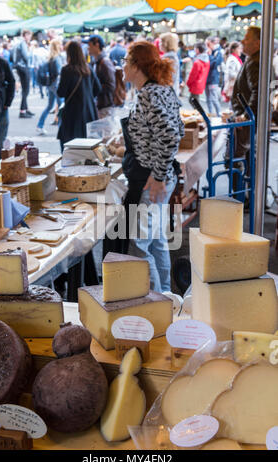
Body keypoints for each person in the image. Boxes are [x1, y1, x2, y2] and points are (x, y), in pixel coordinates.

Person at [120, 41, 184, 293]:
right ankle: (166, 295)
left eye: (125, 61)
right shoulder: (162, 89)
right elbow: (177, 129)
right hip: (161, 178)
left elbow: (170, 135)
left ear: (136, 66)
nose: (122, 66)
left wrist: (157, 176)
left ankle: (155, 304)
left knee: (139, 247)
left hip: (152, 182)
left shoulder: (148, 94)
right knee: (157, 241)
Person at [228, 26, 260, 195]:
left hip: (245, 120)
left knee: (233, 159)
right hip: (246, 117)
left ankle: (240, 197)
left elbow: (258, 91)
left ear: (258, 42)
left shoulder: (255, 62)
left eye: (246, 38)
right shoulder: (253, 60)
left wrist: (246, 115)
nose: (242, 41)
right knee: (246, 158)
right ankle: (246, 194)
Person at [57, 40, 101, 152]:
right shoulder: (88, 68)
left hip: (72, 114)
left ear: (69, 54)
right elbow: (98, 89)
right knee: (86, 149)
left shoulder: (66, 70)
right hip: (89, 113)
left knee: (70, 148)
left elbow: (60, 93)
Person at [36, 39, 63, 135]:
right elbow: (60, 73)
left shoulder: (50, 58)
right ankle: (61, 129)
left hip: (50, 85)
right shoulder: (57, 58)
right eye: (60, 44)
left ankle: (40, 125)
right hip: (57, 85)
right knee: (61, 107)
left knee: (49, 106)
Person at [87, 34, 116, 119]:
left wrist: (94, 88)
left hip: (105, 106)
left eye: (89, 45)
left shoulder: (104, 62)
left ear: (97, 45)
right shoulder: (98, 61)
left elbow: (110, 85)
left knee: (107, 131)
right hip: (101, 105)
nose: (88, 48)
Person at [14, 29, 34, 118]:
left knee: (25, 89)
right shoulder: (23, 43)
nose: (29, 37)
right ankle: (22, 111)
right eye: (28, 35)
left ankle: (26, 109)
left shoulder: (19, 43)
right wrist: (31, 50)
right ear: (24, 35)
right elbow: (27, 56)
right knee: (26, 90)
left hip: (19, 67)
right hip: (23, 68)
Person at [205, 36, 223, 116]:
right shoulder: (210, 52)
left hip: (213, 79)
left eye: (208, 44)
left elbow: (215, 64)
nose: (207, 46)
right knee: (208, 98)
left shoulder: (218, 52)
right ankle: (210, 114)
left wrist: (209, 55)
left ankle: (219, 114)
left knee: (214, 98)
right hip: (207, 78)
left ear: (213, 43)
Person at [160, 32, 180, 97]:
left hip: (167, 94)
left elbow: (168, 79)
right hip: (170, 92)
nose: (159, 44)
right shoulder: (171, 56)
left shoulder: (169, 58)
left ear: (166, 44)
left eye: (161, 42)